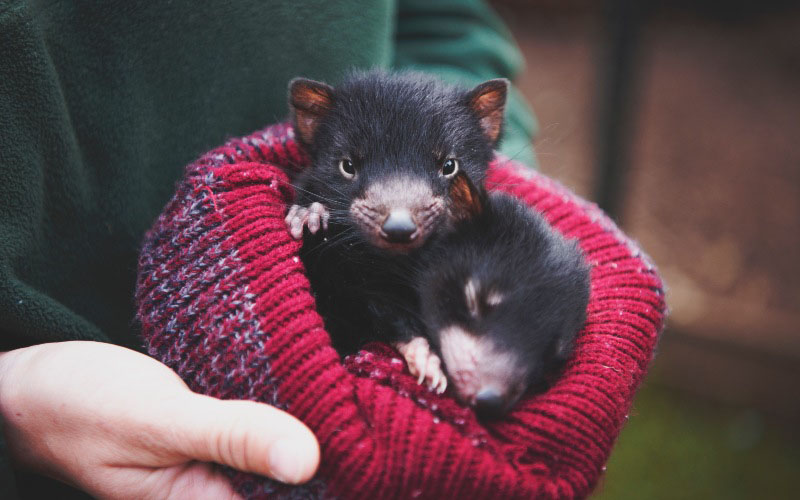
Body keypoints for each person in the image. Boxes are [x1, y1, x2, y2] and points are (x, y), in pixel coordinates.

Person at [0, 0, 537, 498]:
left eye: (441, 170)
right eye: (354, 168)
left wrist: (511, 173)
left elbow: (446, 28)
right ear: (310, 127)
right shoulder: (316, 205)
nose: (398, 217)